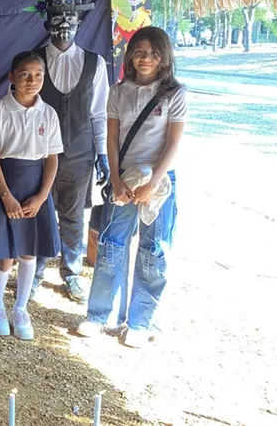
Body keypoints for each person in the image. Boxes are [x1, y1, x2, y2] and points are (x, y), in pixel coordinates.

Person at [77, 27, 186, 349]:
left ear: (164, 57)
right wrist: (116, 178)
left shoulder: (174, 94)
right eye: (139, 51)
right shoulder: (118, 90)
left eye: (153, 53)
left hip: (160, 180)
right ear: (129, 55)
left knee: (153, 250)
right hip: (122, 177)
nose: (145, 58)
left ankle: (140, 321)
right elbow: (111, 139)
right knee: (111, 245)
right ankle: (99, 316)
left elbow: (173, 143)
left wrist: (153, 183)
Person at [33, 0, 110, 303]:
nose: (63, 23)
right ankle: (34, 271)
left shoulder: (95, 63)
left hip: (79, 153)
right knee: (38, 213)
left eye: (69, 16)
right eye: (57, 16)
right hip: (38, 155)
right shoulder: (34, 60)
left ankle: (71, 272)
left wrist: (102, 154)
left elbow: (100, 113)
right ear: (47, 21)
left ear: (79, 21)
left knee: (73, 215)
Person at [0, 52, 63, 341]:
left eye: (38, 75)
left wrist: (41, 197)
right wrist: (6, 196)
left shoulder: (48, 114)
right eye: (25, 74)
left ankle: (20, 308)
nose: (32, 81)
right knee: (5, 256)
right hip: (6, 187)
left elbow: (52, 159)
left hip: (35, 188)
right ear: (11, 77)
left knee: (29, 252)